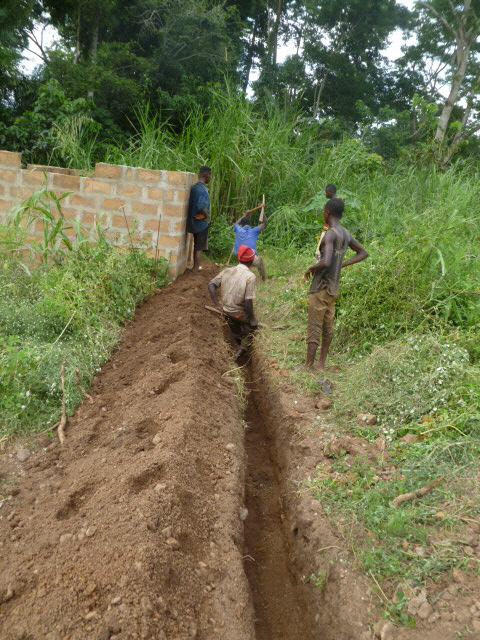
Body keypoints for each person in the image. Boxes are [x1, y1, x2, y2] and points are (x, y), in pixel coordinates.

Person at [304, 198, 368, 370]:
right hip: (333, 289)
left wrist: (310, 269)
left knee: (315, 326)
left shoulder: (331, 234)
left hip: (321, 287)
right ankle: (321, 364)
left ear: (327, 212)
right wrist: (343, 263)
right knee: (328, 327)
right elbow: (363, 253)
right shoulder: (346, 234)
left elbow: (325, 262)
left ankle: (308, 365)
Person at [208, 245, 258, 360]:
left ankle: (236, 340)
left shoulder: (227, 271)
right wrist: (252, 320)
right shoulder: (250, 277)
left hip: (225, 310)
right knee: (251, 329)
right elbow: (248, 302)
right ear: (251, 261)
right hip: (239, 313)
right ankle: (242, 349)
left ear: (238, 258)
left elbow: (211, 285)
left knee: (234, 326)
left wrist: (217, 304)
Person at [233, 203, 267, 281]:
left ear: (241, 225)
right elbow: (265, 224)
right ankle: (264, 279)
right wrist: (261, 211)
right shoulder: (254, 231)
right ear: (250, 225)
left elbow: (235, 224)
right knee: (260, 261)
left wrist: (244, 215)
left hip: (239, 257)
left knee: (245, 258)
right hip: (250, 258)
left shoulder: (238, 229)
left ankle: (243, 270)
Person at [187, 166, 212, 271]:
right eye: (210, 175)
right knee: (199, 246)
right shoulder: (202, 190)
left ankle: (195, 266)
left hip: (194, 222)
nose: (210, 177)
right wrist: (207, 216)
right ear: (205, 175)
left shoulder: (195, 187)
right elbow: (201, 207)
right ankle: (196, 267)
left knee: (197, 244)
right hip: (200, 223)